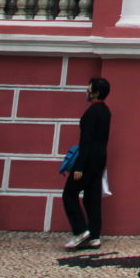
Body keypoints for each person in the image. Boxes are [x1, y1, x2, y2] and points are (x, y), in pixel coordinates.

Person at [60, 76, 111, 251]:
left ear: (96, 93)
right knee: (92, 198)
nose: (87, 92)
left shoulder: (91, 113)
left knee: (69, 194)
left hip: (87, 160)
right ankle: (95, 236)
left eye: (89, 89)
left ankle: (80, 230)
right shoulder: (106, 111)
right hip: (100, 159)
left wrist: (79, 166)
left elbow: (86, 141)